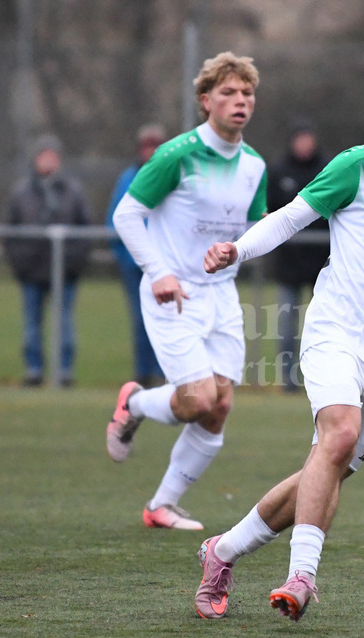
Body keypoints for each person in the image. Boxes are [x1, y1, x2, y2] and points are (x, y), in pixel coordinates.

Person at [197, 53, 364, 622]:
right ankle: (301, 578)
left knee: (325, 467)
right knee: (339, 435)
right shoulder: (358, 165)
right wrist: (236, 250)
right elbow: (290, 217)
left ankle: (220, 551)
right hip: (334, 332)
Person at [105, 52, 268, 531]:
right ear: (205, 101)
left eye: (247, 93)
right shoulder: (177, 154)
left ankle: (161, 506)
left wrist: (237, 252)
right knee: (196, 400)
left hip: (222, 296)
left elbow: (253, 230)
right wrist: (158, 271)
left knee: (219, 407)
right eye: (228, 93)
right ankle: (134, 403)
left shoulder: (254, 165)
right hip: (172, 294)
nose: (240, 101)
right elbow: (126, 215)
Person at [5, 134, 93, 387]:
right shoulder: (22, 191)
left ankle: (64, 372)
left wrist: (74, 262)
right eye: (44, 156)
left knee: (65, 323)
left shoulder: (73, 191)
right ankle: (34, 370)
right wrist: (20, 263)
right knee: (31, 324)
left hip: (65, 270)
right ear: (35, 159)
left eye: (53, 156)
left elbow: (85, 230)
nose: (48, 161)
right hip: (31, 270)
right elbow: (10, 231)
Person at [266, 119, 330, 391]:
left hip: (322, 266)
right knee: (287, 328)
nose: (305, 144)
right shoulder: (279, 171)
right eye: (300, 139)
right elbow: (269, 212)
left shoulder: (327, 170)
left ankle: (324, 379)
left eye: (308, 138)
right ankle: (288, 380)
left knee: (325, 327)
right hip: (290, 266)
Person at [106, 123, 169, 388]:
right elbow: (117, 219)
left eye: (156, 145)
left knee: (168, 321)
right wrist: (125, 255)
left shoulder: (173, 177)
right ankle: (143, 372)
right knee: (141, 319)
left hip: (166, 265)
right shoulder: (128, 178)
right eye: (147, 146)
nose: (150, 151)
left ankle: (164, 371)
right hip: (135, 265)